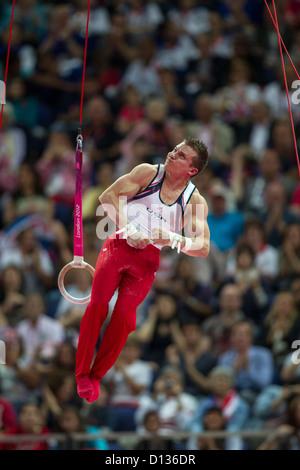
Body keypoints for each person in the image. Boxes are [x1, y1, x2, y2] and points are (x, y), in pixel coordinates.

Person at [75, 137, 210, 402]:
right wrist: (129, 229)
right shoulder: (149, 172)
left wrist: (173, 239)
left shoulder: (194, 201)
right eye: (175, 149)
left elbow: (202, 247)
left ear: (192, 170)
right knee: (98, 305)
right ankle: (81, 373)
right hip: (118, 247)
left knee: (125, 317)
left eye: (181, 155)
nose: (172, 154)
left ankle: (96, 375)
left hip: (147, 262)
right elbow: (108, 196)